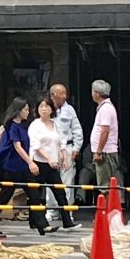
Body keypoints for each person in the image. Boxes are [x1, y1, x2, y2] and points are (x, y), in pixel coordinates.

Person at [0, 97, 57, 235]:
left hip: (23, 167)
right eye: (26, 110)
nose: (28, 112)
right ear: (18, 110)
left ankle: (42, 225)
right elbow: (18, 147)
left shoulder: (22, 126)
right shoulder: (13, 127)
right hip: (14, 168)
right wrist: (30, 162)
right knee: (4, 197)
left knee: (34, 196)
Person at [27, 97, 82, 231]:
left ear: (52, 109)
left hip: (53, 165)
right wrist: (49, 158)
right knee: (36, 194)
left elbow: (61, 142)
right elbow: (35, 145)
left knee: (60, 192)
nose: (43, 109)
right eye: (41, 106)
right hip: (39, 163)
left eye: (46, 106)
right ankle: (34, 221)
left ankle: (67, 222)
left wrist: (63, 155)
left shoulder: (54, 124)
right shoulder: (35, 125)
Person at [48, 84, 84, 213]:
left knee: (68, 181)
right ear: (53, 95)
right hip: (51, 149)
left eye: (65, 93)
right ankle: (51, 211)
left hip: (67, 148)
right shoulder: (46, 108)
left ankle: (67, 211)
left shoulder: (70, 110)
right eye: (61, 93)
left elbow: (77, 130)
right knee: (51, 182)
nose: (64, 96)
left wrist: (76, 148)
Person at [90, 79, 121, 188]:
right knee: (105, 184)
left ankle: (107, 205)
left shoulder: (106, 109)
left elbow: (105, 131)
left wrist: (98, 151)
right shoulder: (104, 108)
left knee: (104, 186)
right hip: (105, 151)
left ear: (97, 93)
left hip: (105, 152)